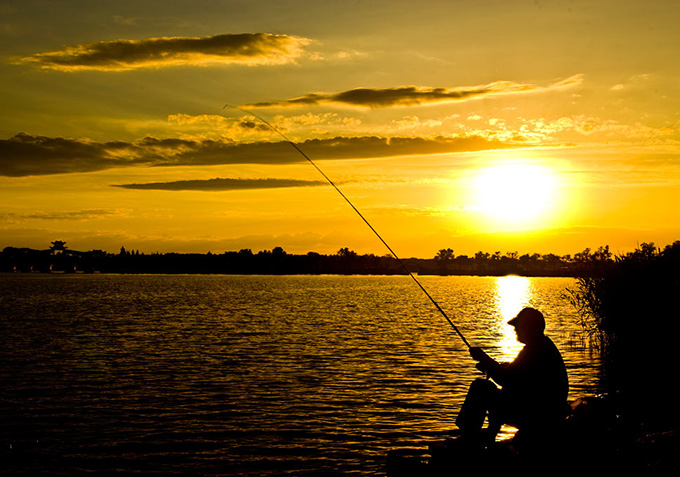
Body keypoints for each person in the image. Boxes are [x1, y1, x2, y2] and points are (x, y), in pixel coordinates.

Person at [455, 307, 569, 447]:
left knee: (481, 387)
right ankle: (485, 436)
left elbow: (509, 381)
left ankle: (468, 438)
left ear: (530, 327)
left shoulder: (536, 350)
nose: (515, 329)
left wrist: (486, 360)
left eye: (518, 326)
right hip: (542, 409)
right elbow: (517, 375)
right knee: (495, 392)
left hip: (537, 414)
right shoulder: (541, 346)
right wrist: (494, 365)